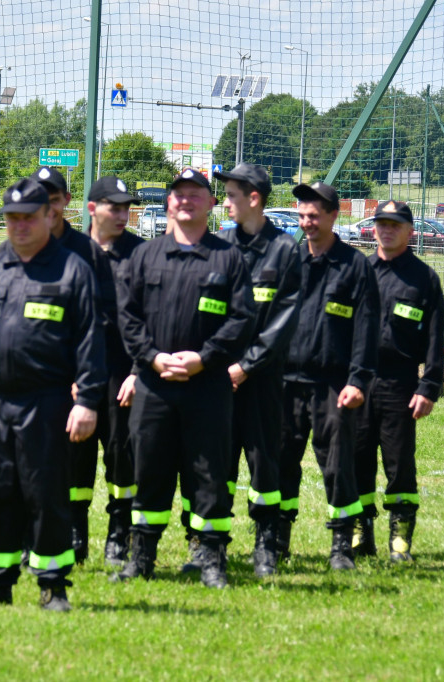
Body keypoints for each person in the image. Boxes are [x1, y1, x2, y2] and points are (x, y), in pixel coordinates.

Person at [0, 177, 106, 612]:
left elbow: (93, 342)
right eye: (11, 218)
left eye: (28, 217)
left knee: (45, 492)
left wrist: (88, 400)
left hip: (48, 402)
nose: (19, 226)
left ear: (48, 215)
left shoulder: (72, 271)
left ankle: (53, 586)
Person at [115, 168, 254, 589]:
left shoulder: (228, 257)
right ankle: (142, 557)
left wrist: (204, 358)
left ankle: (211, 558)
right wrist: (153, 359)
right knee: (150, 469)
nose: (186, 200)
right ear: (168, 203)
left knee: (209, 473)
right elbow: (127, 317)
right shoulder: (145, 256)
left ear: (211, 204)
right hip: (154, 385)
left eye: (196, 194)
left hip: (207, 386)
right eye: (179, 194)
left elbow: (243, 319)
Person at [280, 181, 379, 570]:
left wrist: (358, 381)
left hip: (333, 385)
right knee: (281, 462)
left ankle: (341, 545)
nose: (307, 223)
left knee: (338, 465)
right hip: (287, 383)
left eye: (315, 216)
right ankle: (278, 538)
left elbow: (367, 330)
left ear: (334, 215)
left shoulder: (354, 265)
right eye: (302, 215)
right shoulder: (288, 259)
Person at [210, 164, 302, 578]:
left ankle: (266, 544)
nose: (224, 201)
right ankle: (214, 546)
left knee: (265, 462)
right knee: (219, 464)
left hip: (263, 379)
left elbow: (283, 320)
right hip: (218, 378)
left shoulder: (285, 250)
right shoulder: (220, 244)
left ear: (254, 199)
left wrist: (245, 366)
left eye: (231, 195)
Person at [30, 165, 116, 564]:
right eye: (39, 195)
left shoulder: (87, 252)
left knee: (80, 457)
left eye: (54, 196)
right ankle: (44, 535)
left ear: (65, 201)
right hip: (38, 376)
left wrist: (84, 377)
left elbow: (97, 319)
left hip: (78, 377)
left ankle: (77, 535)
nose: (47, 203)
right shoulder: (21, 244)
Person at [354, 201, 444, 563]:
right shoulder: (360, 272)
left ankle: (400, 537)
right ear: (373, 228)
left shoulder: (424, 278)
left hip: (400, 385)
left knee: (399, 463)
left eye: (395, 224)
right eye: (381, 223)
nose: (387, 229)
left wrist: (429, 387)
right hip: (359, 381)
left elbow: (436, 339)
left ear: (410, 231)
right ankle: (362, 533)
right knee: (357, 458)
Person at [80, 175, 146, 567]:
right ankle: (74, 534)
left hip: (124, 374)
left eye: (127, 207)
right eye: (114, 207)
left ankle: (118, 536)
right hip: (78, 375)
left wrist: (139, 372)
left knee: (123, 458)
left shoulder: (140, 254)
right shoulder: (69, 252)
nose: (123, 214)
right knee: (74, 459)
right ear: (92, 209)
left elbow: (151, 320)